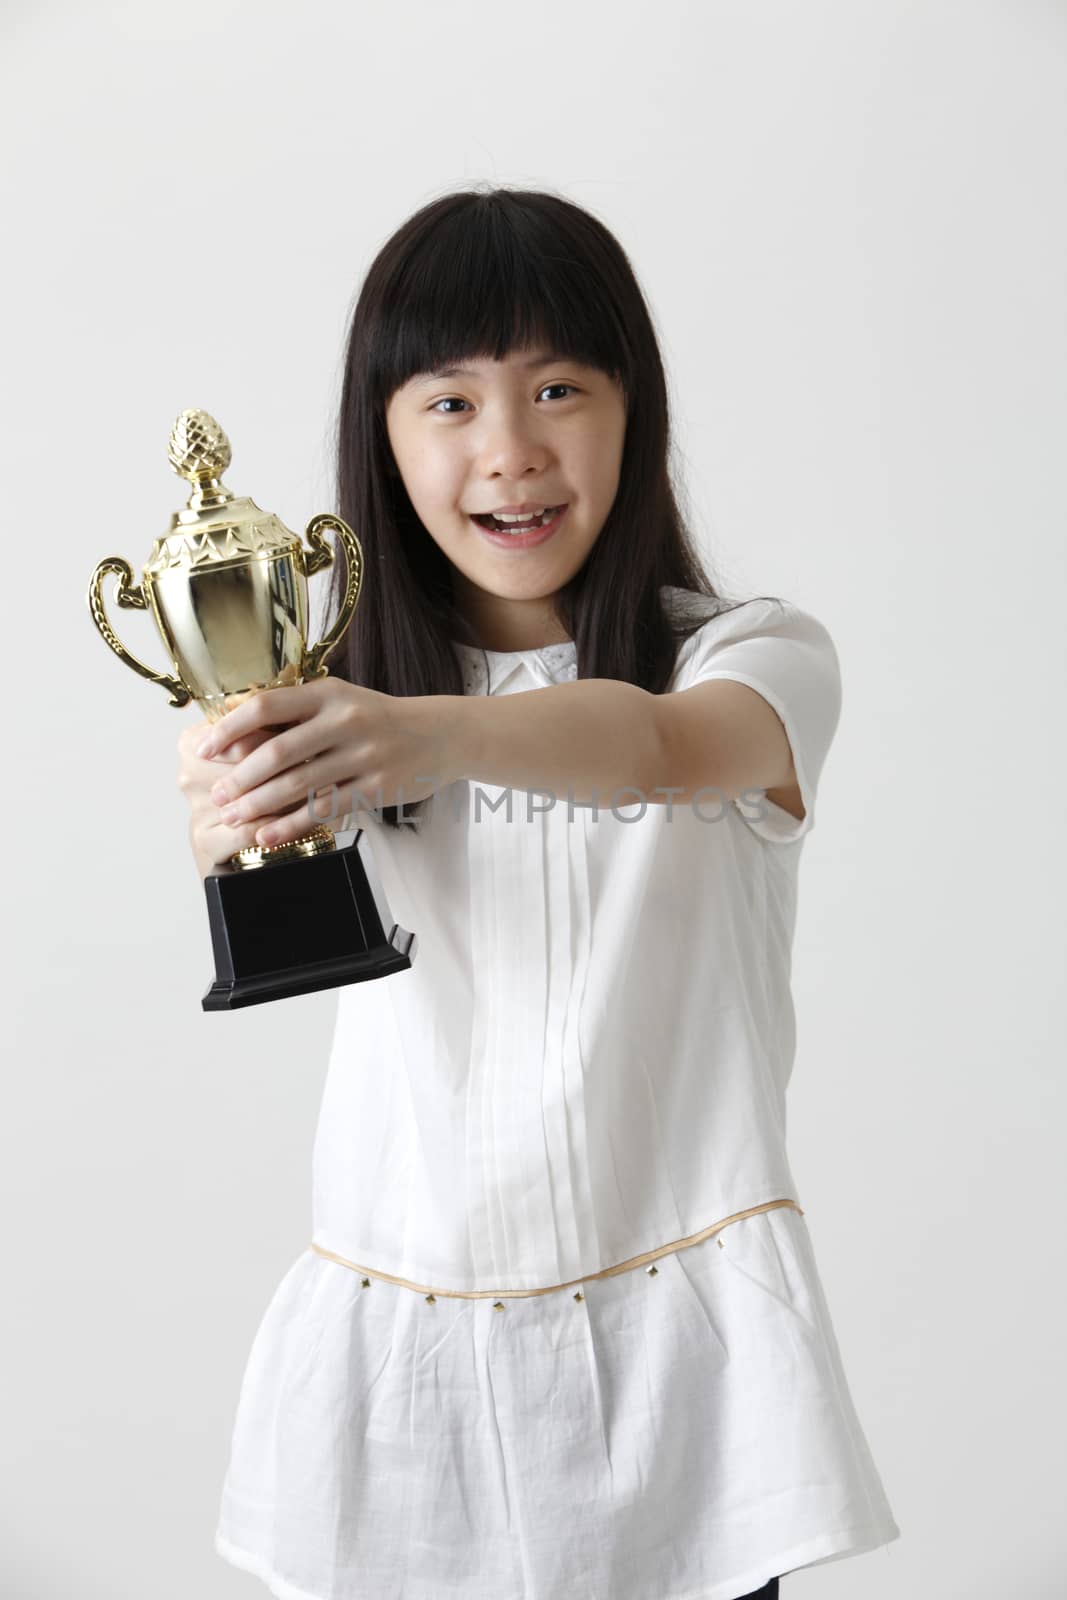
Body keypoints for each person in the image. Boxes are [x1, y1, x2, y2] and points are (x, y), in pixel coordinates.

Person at [177, 186, 900, 1600]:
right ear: (382, 439)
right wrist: (234, 794)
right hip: (404, 1383)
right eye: (449, 402)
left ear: (637, 411)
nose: (510, 452)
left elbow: (652, 747)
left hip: (684, 1385)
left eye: (559, 387)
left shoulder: (753, 658)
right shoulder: (337, 705)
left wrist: (417, 732)